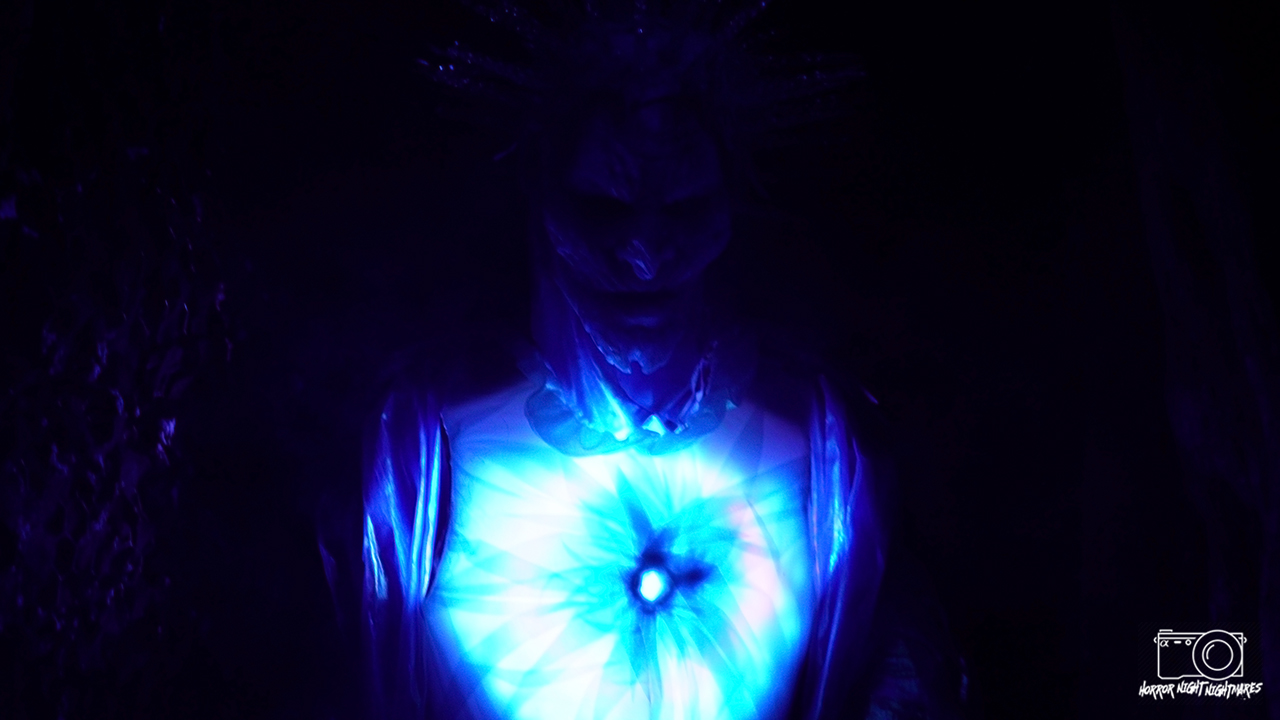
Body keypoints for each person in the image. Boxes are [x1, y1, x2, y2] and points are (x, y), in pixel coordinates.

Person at [361, 4, 966, 718]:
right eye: (603, 206)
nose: (647, 255)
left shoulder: (826, 435)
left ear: (732, 201)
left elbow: (901, 677)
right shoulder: (421, 432)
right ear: (538, 187)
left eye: (685, 207)